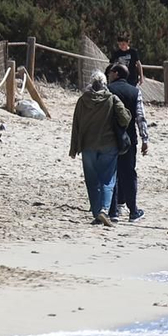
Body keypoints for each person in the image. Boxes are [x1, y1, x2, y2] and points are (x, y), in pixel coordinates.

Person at [69, 71, 132, 227]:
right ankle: (104, 209)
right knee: (107, 179)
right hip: (108, 145)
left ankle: (97, 213)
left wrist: (74, 147)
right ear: (105, 84)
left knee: (92, 181)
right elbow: (125, 119)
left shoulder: (82, 100)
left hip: (88, 145)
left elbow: (76, 124)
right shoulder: (112, 99)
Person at [106, 63, 145, 222]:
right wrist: (145, 139)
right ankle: (133, 211)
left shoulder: (108, 90)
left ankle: (113, 211)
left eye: (110, 72)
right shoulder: (135, 92)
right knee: (129, 174)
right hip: (129, 139)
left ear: (116, 73)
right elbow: (140, 117)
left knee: (111, 174)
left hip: (109, 137)